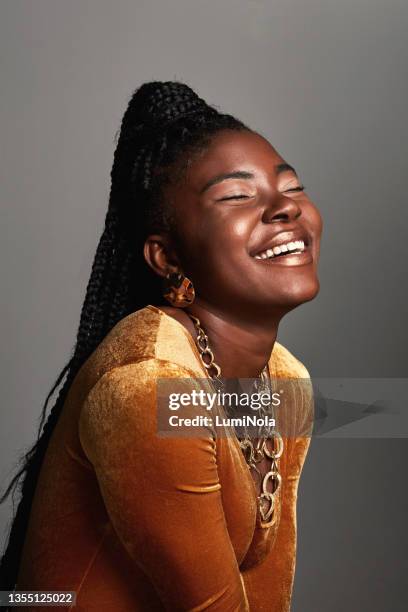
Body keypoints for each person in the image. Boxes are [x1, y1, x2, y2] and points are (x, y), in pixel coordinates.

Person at [0, 81, 322, 610]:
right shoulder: (149, 387)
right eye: (238, 195)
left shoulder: (285, 380)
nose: (284, 208)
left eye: (292, 187)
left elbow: (264, 590)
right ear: (166, 257)